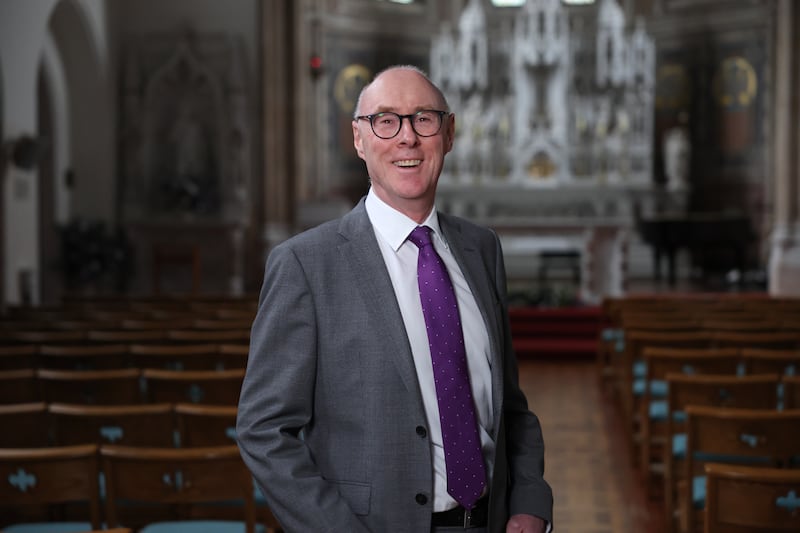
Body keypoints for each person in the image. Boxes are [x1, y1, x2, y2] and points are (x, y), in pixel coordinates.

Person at [236, 65, 553, 533]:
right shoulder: (305, 265)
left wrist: (528, 501)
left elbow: (510, 405)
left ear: (448, 134)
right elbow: (263, 431)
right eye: (386, 120)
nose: (407, 138)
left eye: (423, 119)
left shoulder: (481, 249)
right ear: (359, 139)